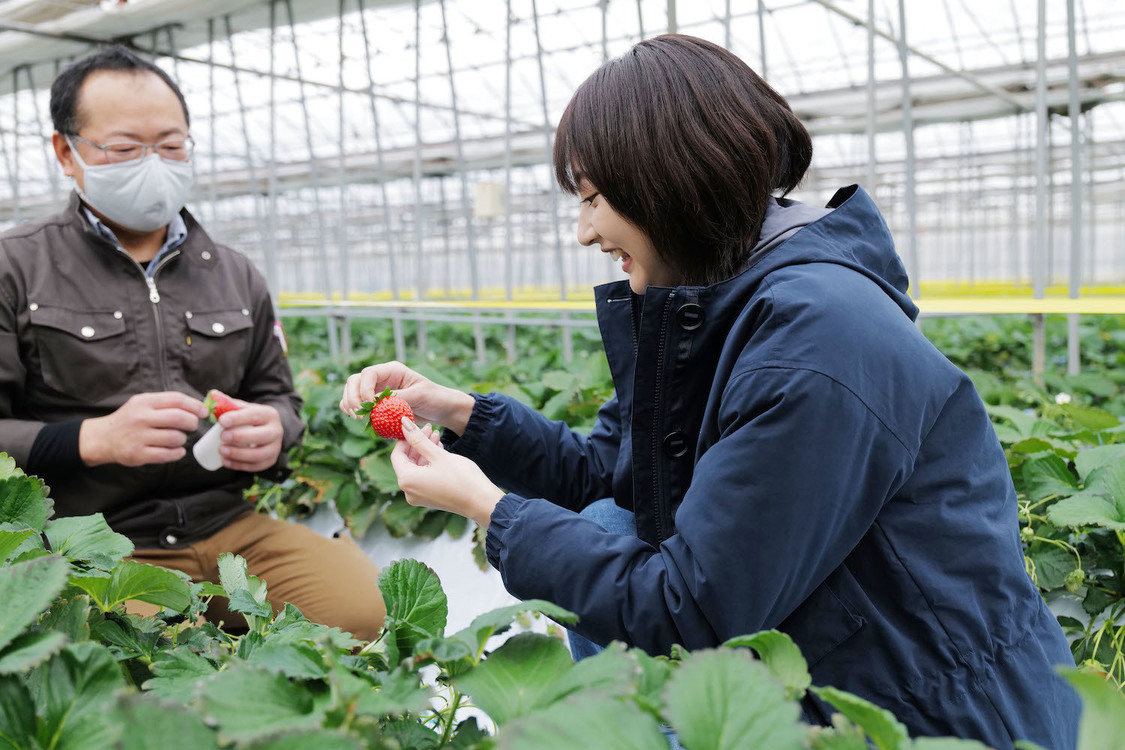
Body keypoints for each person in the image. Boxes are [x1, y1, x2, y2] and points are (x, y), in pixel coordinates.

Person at [339, 34, 1080, 747]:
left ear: (666, 186)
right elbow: (617, 475)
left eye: (594, 199)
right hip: (811, 672)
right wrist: (464, 415)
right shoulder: (721, 302)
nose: (582, 232)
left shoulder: (817, 342)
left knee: (609, 546)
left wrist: (486, 508)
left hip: (931, 716)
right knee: (604, 524)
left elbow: (691, 606)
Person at [0, 45, 384, 640]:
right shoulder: (16, 267)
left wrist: (273, 432)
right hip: (91, 539)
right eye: (125, 149)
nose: (153, 165)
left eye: (172, 146)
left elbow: (282, 400)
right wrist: (91, 439)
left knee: (362, 614)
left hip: (227, 525)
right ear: (66, 153)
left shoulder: (233, 272)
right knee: (131, 652)